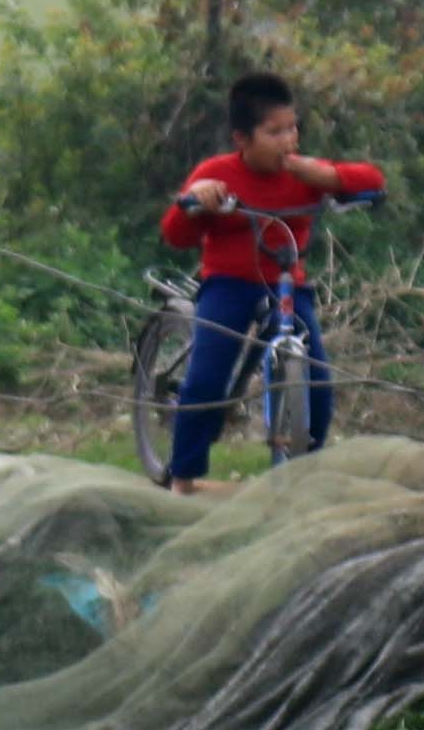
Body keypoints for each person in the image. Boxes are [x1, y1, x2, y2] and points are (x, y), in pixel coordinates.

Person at [160, 72, 385, 486]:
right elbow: (175, 234)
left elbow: (373, 181)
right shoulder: (217, 172)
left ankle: (304, 473)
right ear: (242, 139)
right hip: (228, 282)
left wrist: (329, 178)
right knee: (207, 378)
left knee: (317, 377)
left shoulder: (306, 174)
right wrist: (199, 200)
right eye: (275, 131)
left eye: (293, 128)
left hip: (287, 283)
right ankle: (184, 474)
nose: (289, 140)